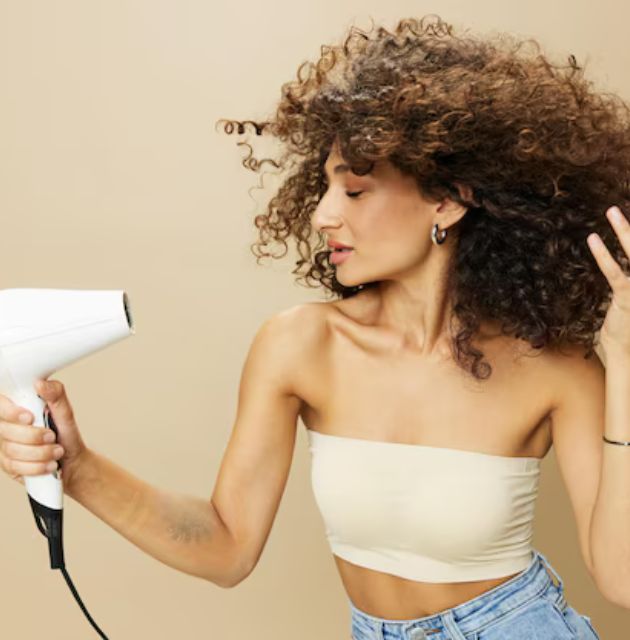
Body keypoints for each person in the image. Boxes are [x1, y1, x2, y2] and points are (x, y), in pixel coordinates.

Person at [2, 13, 630, 639]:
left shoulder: (556, 367)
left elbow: (621, 579)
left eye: (355, 192)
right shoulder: (301, 345)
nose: (325, 215)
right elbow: (226, 547)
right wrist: (77, 466)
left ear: (447, 200)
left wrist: (625, 360)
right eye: (325, 187)